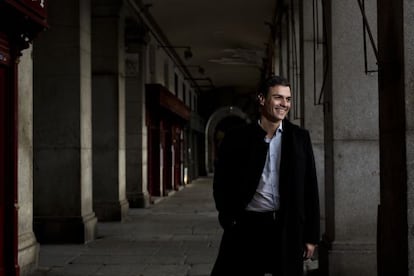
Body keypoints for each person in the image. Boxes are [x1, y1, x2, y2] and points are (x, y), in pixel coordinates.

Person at [211, 75, 320, 276]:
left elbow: (310, 189)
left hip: (286, 226)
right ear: (262, 99)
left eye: (288, 99)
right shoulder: (237, 137)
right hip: (247, 226)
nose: (284, 104)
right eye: (278, 97)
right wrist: (228, 218)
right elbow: (221, 183)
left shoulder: (299, 137)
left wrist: (311, 236)